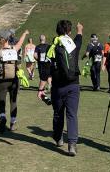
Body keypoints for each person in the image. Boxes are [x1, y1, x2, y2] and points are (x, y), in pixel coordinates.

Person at [38, 20, 83, 156]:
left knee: (58, 113)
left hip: (58, 87)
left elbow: (46, 71)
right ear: (69, 32)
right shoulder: (74, 45)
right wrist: (80, 29)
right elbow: (79, 37)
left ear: (57, 31)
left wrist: (41, 89)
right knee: (72, 114)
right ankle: (72, 144)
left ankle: (58, 138)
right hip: (73, 84)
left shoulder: (52, 48)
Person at [0, 29, 30, 133]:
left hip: (1, 81)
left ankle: (2, 117)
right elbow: (20, 43)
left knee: (1, 102)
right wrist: (24, 33)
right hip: (14, 80)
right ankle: (13, 123)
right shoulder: (14, 49)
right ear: (8, 38)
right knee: (13, 102)